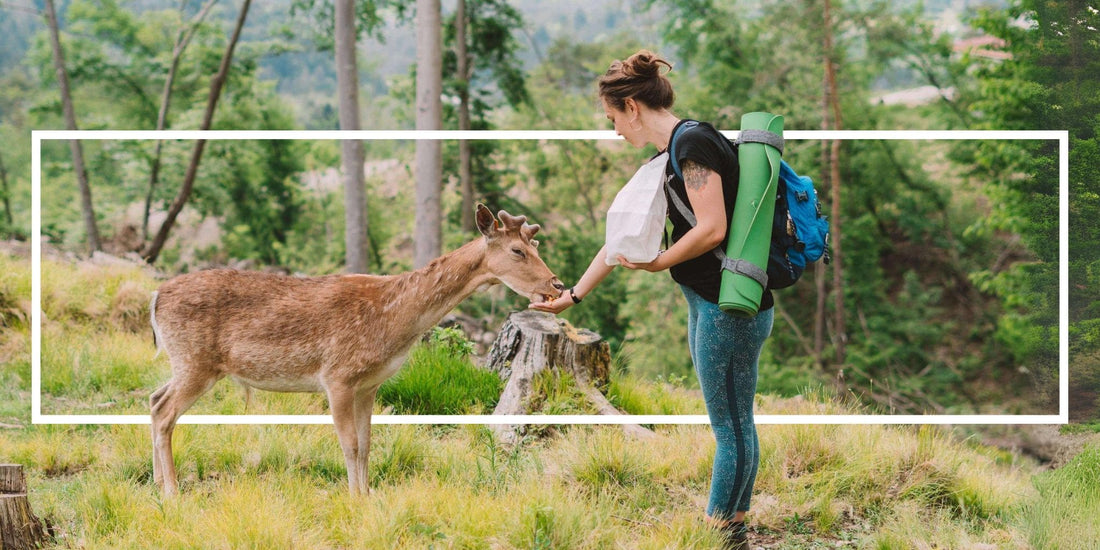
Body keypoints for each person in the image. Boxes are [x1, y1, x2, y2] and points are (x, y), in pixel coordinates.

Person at [530, 49, 773, 550]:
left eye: (613, 118)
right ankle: (736, 528)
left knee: (729, 428)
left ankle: (715, 535)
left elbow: (712, 228)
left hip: (727, 308)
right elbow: (620, 238)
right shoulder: (670, 152)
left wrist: (660, 262)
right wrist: (573, 295)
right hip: (711, 301)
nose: (614, 130)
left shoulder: (692, 145)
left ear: (633, 108)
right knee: (736, 422)